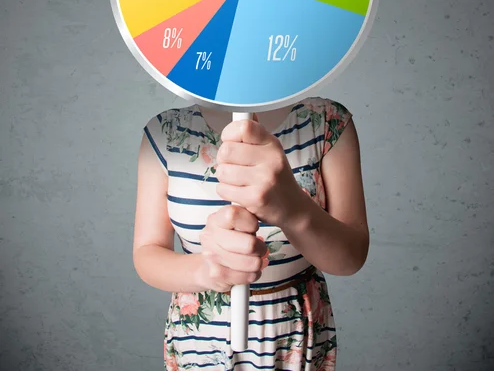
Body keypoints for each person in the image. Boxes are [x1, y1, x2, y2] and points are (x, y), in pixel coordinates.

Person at [133, 95, 369, 370]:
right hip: (200, 338)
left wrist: (292, 209)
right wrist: (206, 270)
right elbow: (146, 253)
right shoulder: (165, 131)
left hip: (293, 334)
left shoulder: (327, 122)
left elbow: (351, 258)